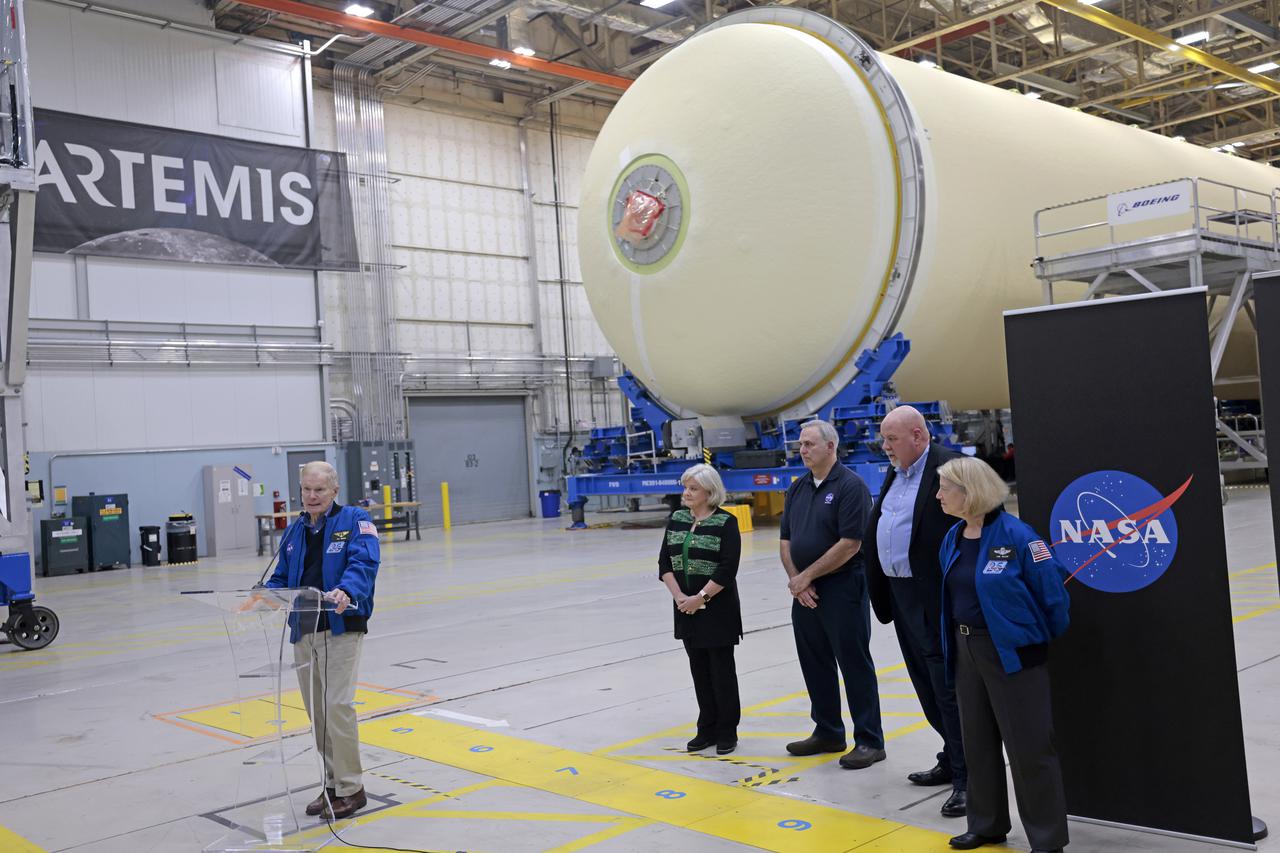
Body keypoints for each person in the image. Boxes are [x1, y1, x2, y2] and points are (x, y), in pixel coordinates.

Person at [936, 457, 1070, 853]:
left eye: (946, 488)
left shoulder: (1018, 536)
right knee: (976, 741)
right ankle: (987, 824)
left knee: (1029, 748)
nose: (939, 495)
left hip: (1013, 654)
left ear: (970, 492)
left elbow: (1054, 597)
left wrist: (1030, 641)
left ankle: (1047, 839)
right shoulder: (954, 537)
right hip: (966, 650)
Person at [865, 406, 967, 817]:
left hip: (935, 598)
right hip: (902, 595)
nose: (884, 447)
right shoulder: (900, 470)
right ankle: (951, 754)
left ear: (918, 436)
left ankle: (968, 778)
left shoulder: (951, 468)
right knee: (925, 686)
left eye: (891, 439)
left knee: (949, 690)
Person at [266, 461, 380, 820]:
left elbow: (364, 564)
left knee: (337, 707)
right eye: (306, 489)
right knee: (319, 714)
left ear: (334, 491)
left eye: (319, 490)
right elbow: (282, 577)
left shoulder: (355, 520)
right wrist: (261, 596)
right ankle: (332, 784)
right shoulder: (295, 530)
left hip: (340, 626)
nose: (312, 496)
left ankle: (352, 788)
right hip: (303, 629)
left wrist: (347, 590)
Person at [779, 420, 885, 769]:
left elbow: (851, 543)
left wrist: (806, 577)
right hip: (805, 592)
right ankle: (828, 731)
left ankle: (870, 740)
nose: (803, 450)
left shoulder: (850, 486)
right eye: (801, 445)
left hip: (843, 587)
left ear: (830, 446)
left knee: (853, 662)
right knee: (814, 661)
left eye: (809, 444)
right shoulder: (798, 488)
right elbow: (785, 541)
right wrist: (798, 581)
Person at [659, 464, 743, 755]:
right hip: (685, 609)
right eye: (685, 487)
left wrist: (701, 598)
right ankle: (705, 728)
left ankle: (727, 731)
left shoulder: (726, 523)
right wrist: (681, 596)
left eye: (693, 488)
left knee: (721, 671)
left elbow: (727, 568)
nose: (686, 493)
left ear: (710, 492)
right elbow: (664, 564)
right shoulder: (677, 520)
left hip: (716, 610)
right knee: (699, 671)